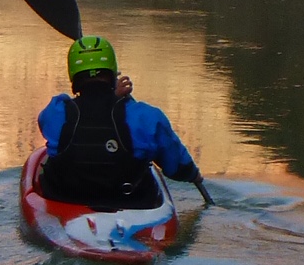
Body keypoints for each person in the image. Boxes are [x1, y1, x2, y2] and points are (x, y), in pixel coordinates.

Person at [36, 35, 205, 210]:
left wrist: (108, 100)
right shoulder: (144, 116)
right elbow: (176, 166)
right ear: (112, 73)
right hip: (131, 202)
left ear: (73, 75)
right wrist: (193, 175)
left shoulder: (55, 112)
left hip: (65, 198)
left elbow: (61, 121)